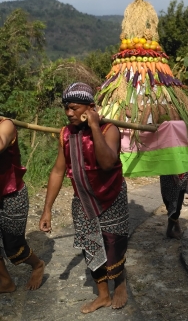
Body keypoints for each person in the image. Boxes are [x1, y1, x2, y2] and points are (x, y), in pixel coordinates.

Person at [39, 82, 129, 314]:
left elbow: (108, 163)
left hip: (112, 195)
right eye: (66, 108)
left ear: (90, 108)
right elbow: (58, 171)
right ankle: (102, 295)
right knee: (91, 246)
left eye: (74, 108)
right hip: (83, 200)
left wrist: (95, 127)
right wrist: (47, 209)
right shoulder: (66, 134)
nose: (69, 113)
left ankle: (119, 283)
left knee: (113, 244)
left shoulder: (110, 130)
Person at [0, 118, 45, 293]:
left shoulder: (6, 125)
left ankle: (38, 264)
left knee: (14, 248)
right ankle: (5, 282)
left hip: (12, 196)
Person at [160, 171, 188, 239]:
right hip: (166, 177)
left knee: (177, 206)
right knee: (168, 202)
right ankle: (176, 224)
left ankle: (169, 230)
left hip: (181, 179)